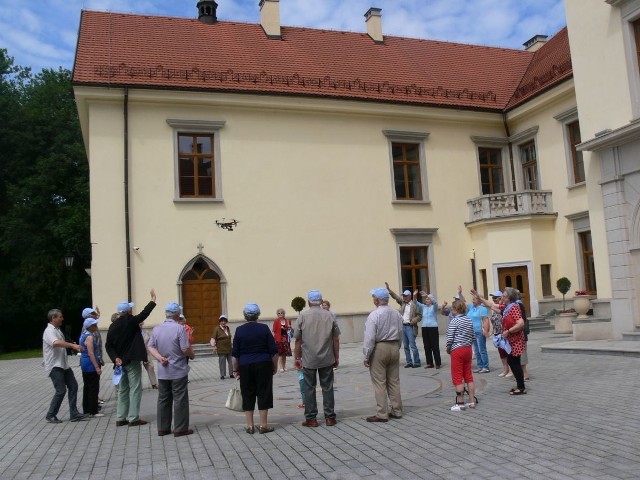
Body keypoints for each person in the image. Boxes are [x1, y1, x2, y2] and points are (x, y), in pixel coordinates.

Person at [105, 289, 157, 427]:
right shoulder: (131, 321)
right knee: (135, 388)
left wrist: (115, 358)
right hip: (132, 360)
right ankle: (133, 418)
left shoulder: (112, 326)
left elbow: (108, 345)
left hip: (120, 362)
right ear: (128, 311)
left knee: (123, 389)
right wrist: (152, 300)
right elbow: (144, 314)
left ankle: (120, 417)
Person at [147, 302, 195, 437]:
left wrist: (160, 357)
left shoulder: (157, 329)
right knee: (180, 398)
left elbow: (150, 347)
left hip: (163, 371)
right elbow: (185, 348)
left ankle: (163, 428)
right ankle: (180, 428)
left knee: (163, 399)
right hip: (178, 369)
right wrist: (192, 355)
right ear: (177, 315)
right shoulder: (179, 329)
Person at [294, 289, 340, 427]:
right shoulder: (329, 315)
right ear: (321, 301)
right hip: (326, 356)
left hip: (309, 358)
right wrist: (336, 356)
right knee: (327, 387)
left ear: (308, 302)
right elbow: (336, 338)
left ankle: (311, 418)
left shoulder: (302, 316)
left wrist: (297, 357)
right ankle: (330, 417)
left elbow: (297, 339)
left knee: (309, 388)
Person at [231, 303, 278, 434]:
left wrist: (235, 370)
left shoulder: (239, 330)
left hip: (245, 365)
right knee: (264, 392)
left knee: (247, 393)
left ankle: (250, 426)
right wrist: (274, 365)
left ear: (245, 315)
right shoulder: (264, 328)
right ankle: (263, 425)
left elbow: (235, 354)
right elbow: (274, 351)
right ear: (258, 315)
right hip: (263, 363)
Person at [473, 287, 526, 394]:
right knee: (512, 361)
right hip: (511, 340)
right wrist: (479, 298)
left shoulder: (514, 308)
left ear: (509, 298)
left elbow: (521, 323)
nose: (502, 297)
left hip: (516, 340)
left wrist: (509, 331)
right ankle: (520, 386)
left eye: (504, 296)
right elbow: (491, 305)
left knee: (514, 362)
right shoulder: (506, 307)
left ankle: (521, 387)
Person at [363, 287, 403, 422]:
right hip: (394, 346)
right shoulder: (396, 313)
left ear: (377, 300)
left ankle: (382, 413)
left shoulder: (374, 315)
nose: (373, 299)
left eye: (373, 297)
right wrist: (397, 346)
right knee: (394, 381)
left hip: (380, 347)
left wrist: (366, 355)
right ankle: (397, 410)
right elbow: (400, 331)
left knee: (379, 382)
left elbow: (369, 338)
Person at [42, 309, 86, 423]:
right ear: (53, 318)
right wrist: (72, 346)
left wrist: (72, 345)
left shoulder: (58, 330)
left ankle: (74, 413)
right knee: (61, 390)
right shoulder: (49, 331)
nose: (62, 318)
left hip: (63, 365)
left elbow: (61, 343)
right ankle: (51, 414)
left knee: (74, 386)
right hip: (54, 366)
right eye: (60, 317)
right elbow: (56, 343)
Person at [446, 300, 476, 411]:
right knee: (468, 375)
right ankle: (472, 401)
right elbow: (473, 336)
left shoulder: (454, 321)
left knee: (457, 376)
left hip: (457, 349)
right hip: (468, 349)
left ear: (456, 309)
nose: (451, 310)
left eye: (452, 308)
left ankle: (460, 403)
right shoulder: (469, 320)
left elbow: (450, 338)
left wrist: (448, 348)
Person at [385, 282, 421, 368]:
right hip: (403, 326)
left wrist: (414, 320)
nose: (404, 297)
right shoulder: (403, 303)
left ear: (409, 296)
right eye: (403, 296)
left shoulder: (414, 304)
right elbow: (396, 297)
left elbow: (420, 316)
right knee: (405, 346)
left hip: (410, 326)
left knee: (413, 345)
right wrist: (389, 290)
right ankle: (409, 362)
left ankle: (417, 362)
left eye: (405, 296)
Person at [79, 317, 104, 417]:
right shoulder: (90, 337)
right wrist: (96, 367)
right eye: (95, 325)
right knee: (93, 387)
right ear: (90, 327)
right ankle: (93, 410)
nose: (96, 326)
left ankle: (86, 409)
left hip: (84, 363)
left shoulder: (83, 334)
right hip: (90, 363)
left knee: (87, 386)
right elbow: (91, 352)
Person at [82, 307, 105, 404]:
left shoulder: (90, 327)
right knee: (92, 384)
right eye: (93, 313)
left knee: (92, 384)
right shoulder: (89, 333)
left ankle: (93, 401)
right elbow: (90, 351)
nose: (96, 315)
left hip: (95, 358)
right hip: (92, 360)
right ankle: (93, 406)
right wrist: (97, 365)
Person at [415, 291, 442, 369]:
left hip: (433, 328)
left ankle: (438, 363)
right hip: (425, 328)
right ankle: (429, 363)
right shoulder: (423, 307)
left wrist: (427, 295)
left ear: (431, 300)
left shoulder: (434, 307)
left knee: (435, 346)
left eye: (428, 299)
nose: (426, 300)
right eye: (426, 299)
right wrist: (414, 296)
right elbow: (415, 302)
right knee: (427, 346)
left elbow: (436, 303)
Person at [467, 294, 490, 373]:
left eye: (474, 299)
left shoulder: (482, 309)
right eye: (472, 299)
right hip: (472, 332)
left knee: (482, 349)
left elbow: (485, 320)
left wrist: (486, 331)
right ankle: (480, 366)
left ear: (479, 300)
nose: (473, 300)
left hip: (480, 332)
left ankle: (485, 366)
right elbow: (462, 302)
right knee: (476, 350)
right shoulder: (471, 307)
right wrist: (459, 293)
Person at [211, 314, 233, 379]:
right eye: (222, 321)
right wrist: (213, 346)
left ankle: (231, 374)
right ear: (219, 322)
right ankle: (222, 375)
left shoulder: (227, 328)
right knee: (222, 362)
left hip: (229, 348)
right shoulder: (217, 329)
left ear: (226, 322)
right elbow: (213, 338)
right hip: (221, 348)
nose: (223, 322)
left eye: (224, 321)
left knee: (231, 362)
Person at [272, 308, 292, 373]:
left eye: (281, 313)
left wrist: (288, 328)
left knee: (285, 354)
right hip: (279, 338)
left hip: (285, 338)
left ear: (284, 314)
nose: (280, 314)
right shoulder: (276, 321)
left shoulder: (287, 320)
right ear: (277, 314)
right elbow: (274, 330)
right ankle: (280, 367)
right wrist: (280, 328)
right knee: (280, 353)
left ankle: (284, 366)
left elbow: (289, 329)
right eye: (279, 313)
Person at [141, 324, 158, 389]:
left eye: (141, 323)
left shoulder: (145, 331)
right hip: (138, 353)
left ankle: (154, 384)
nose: (140, 324)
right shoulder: (133, 332)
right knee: (138, 370)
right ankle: (138, 386)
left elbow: (151, 340)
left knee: (151, 366)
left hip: (146, 352)